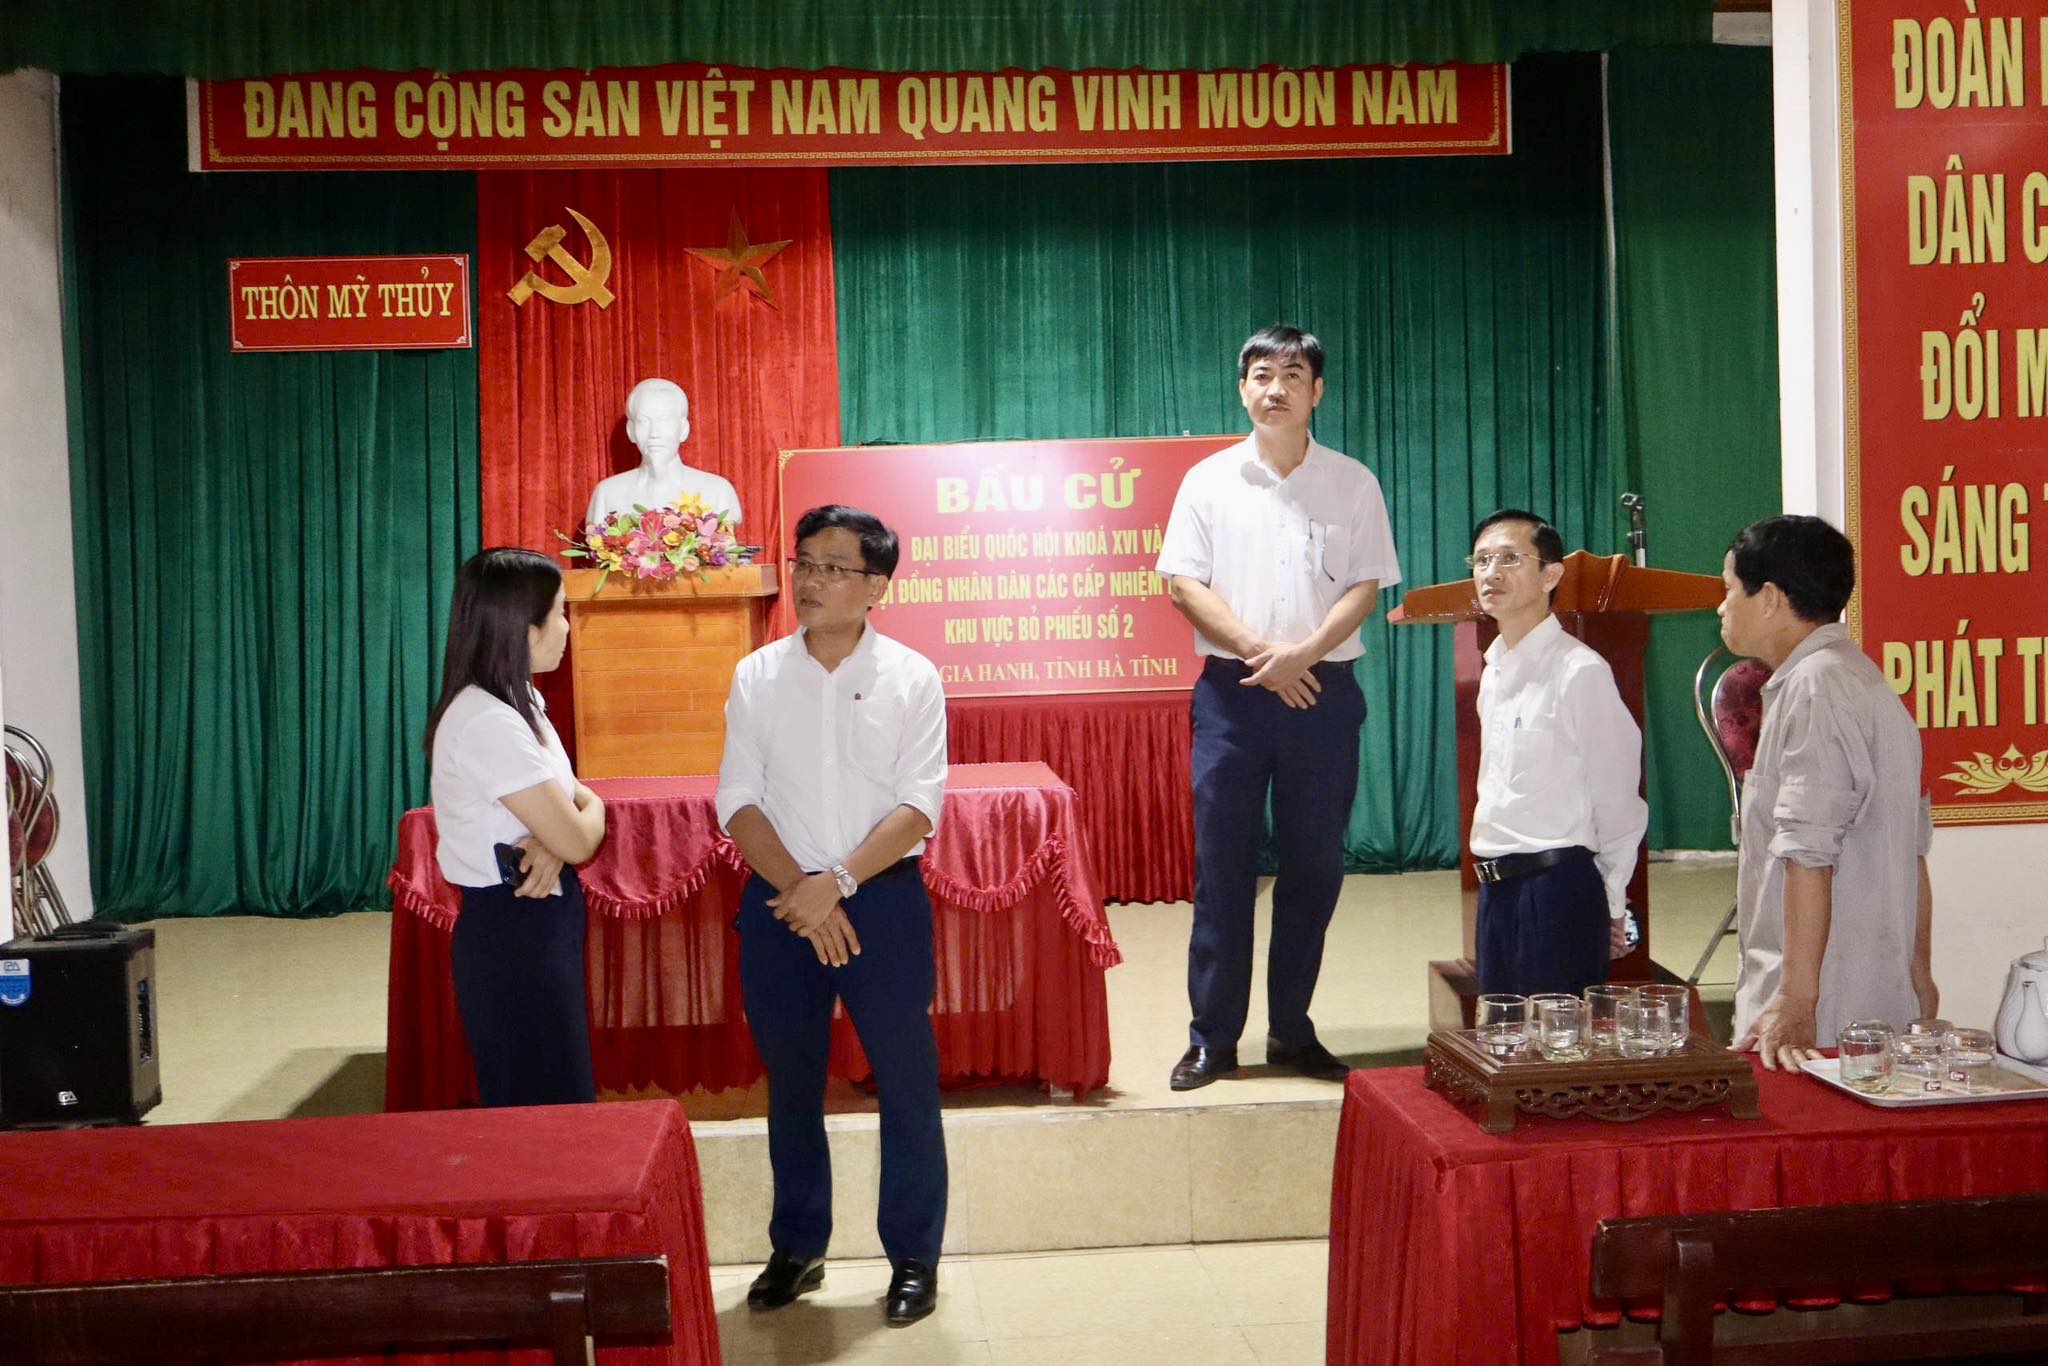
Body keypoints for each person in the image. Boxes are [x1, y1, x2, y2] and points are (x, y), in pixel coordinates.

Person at [715, 504, 949, 1326]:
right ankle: (797, 1246)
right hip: (782, 902)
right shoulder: (757, 675)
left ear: (877, 586)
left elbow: (919, 806)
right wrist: (805, 894)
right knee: (792, 1083)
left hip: (879, 900)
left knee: (906, 1082)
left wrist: (839, 882)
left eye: (832, 567)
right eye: (804, 563)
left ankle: (913, 1256)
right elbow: (737, 801)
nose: (809, 581)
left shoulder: (912, 678)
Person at [1154, 324, 1402, 1091]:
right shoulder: (1207, 481)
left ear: (1316, 391)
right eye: (1261, 375)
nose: (1275, 389)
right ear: (1242, 389)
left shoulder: (1352, 482)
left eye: (1293, 375)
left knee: (1314, 868)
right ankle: (1212, 1039)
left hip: (1324, 695)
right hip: (1233, 698)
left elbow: (1366, 585)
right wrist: (1268, 657)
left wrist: (1305, 656)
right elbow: (1183, 584)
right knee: (1222, 869)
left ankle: (1292, 1031)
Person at [1717, 514, 1938, 1070]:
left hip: (1820, 1015)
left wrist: (1797, 1000)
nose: (1721, 608)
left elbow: (1808, 856)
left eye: (1729, 589)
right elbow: (1912, 853)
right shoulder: (1859, 677)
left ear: (1770, 598)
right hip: (1862, 994)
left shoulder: (1816, 689)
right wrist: (1919, 976)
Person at [425, 547, 607, 1106]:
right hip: (513, 930)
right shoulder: (488, 720)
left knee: (560, 1094)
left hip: (536, 916)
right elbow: (579, 833)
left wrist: (558, 833)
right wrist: (568, 831)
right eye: (559, 613)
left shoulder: (519, 699)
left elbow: (569, 800)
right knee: (537, 1106)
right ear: (523, 630)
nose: (567, 627)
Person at [1466, 509, 1647, 997]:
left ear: (1550, 574)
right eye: (1481, 560)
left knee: (1558, 1036)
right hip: (1497, 889)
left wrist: (1612, 901)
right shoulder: (1494, 672)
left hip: (1556, 890)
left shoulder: (1579, 671)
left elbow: (1617, 798)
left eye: (1509, 558)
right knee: (1503, 1034)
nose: (1491, 572)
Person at [585, 378, 743, 525]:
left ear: (683, 429)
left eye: (664, 420)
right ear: (631, 430)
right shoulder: (607, 493)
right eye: (644, 421)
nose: (654, 433)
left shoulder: (717, 491)